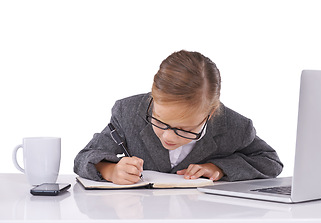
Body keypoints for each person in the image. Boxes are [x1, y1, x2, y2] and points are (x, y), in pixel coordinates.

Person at [74, 50, 283, 185]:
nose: (168, 137)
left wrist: (219, 168)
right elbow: (84, 157)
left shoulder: (235, 127)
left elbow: (270, 162)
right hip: (139, 220)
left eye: (185, 129)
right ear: (153, 100)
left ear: (210, 114)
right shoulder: (128, 111)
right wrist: (109, 170)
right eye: (159, 121)